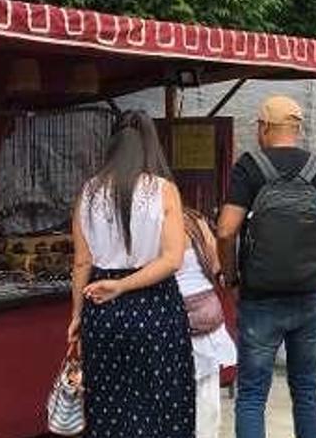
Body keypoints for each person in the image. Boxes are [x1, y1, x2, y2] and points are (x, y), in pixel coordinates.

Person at [217, 95, 316, 438]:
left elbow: (225, 231)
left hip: (260, 297)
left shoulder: (250, 167)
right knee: (306, 392)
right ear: (297, 128)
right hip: (309, 296)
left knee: (251, 396)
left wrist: (232, 276)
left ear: (264, 127)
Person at [67, 110, 195, 438]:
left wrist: (77, 316)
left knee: (108, 404)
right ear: (151, 144)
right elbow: (171, 259)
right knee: (162, 403)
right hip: (156, 308)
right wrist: (123, 286)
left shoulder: (89, 191)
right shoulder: (164, 190)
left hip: (101, 309)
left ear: (112, 144)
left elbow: (81, 263)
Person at [177, 207, 238, 438]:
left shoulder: (146, 224)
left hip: (172, 314)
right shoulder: (195, 220)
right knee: (206, 398)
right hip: (207, 312)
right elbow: (215, 265)